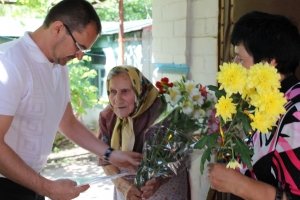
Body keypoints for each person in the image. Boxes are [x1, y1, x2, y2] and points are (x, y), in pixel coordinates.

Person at [0, 1, 141, 200]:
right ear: (58, 28)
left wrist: (111, 154)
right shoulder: (9, 62)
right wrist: (48, 188)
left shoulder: (59, 66)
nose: (80, 56)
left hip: (30, 181)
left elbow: (67, 122)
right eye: (78, 47)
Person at [206, 11, 300, 200]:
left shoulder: (296, 112)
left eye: (240, 59)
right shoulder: (259, 100)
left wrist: (239, 186)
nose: (233, 65)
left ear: (269, 62)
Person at [98, 65, 190, 200]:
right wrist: (123, 186)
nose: (117, 99)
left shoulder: (162, 113)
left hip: (165, 190)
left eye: (125, 91)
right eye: (112, 91)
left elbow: (180, 156)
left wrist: (159, 181)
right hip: (127, 191)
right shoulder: (108, 117)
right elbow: (104, 160)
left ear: (139, 90)